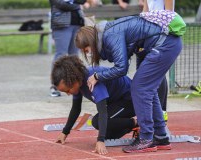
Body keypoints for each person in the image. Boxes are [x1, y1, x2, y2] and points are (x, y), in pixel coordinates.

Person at [75, 10, 182, 153]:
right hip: (154, 46)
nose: (87, 53)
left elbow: (121, 68)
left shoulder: (110, 35)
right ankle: (161, 137)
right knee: (147, 89)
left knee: (139, 88)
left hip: (164, 44)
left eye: (86, 49)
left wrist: (97, 76)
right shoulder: (106, 34)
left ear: (91, 41)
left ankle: (146, 138)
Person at [51, 55, 137, 155]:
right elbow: (76, 108)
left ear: (74, 80)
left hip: (131, 99)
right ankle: (134, 127)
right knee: (108, 136)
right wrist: (65, 132)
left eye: (68, 90)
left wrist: (100, 140)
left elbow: (102, 112)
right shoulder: (77, 81)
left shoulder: (92, 80)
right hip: (116, 102)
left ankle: (137, 122)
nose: (68, 93)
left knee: (96, 122)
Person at [141, 0, 175, 114]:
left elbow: (169, 14)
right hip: (150, 33)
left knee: (158, 71)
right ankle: (154, 109)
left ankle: (161, 110)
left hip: (162, 33)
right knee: (152, 72)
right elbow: (145, 11)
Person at [49, 0, 86, 97]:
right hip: (61, 23)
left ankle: (75, 83)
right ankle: (55, 85)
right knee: (60, 54)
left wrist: (75, 3)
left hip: (77, 22)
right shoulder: (76, 6)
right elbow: (61, 4)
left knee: (74, 55)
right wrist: (77, 6)